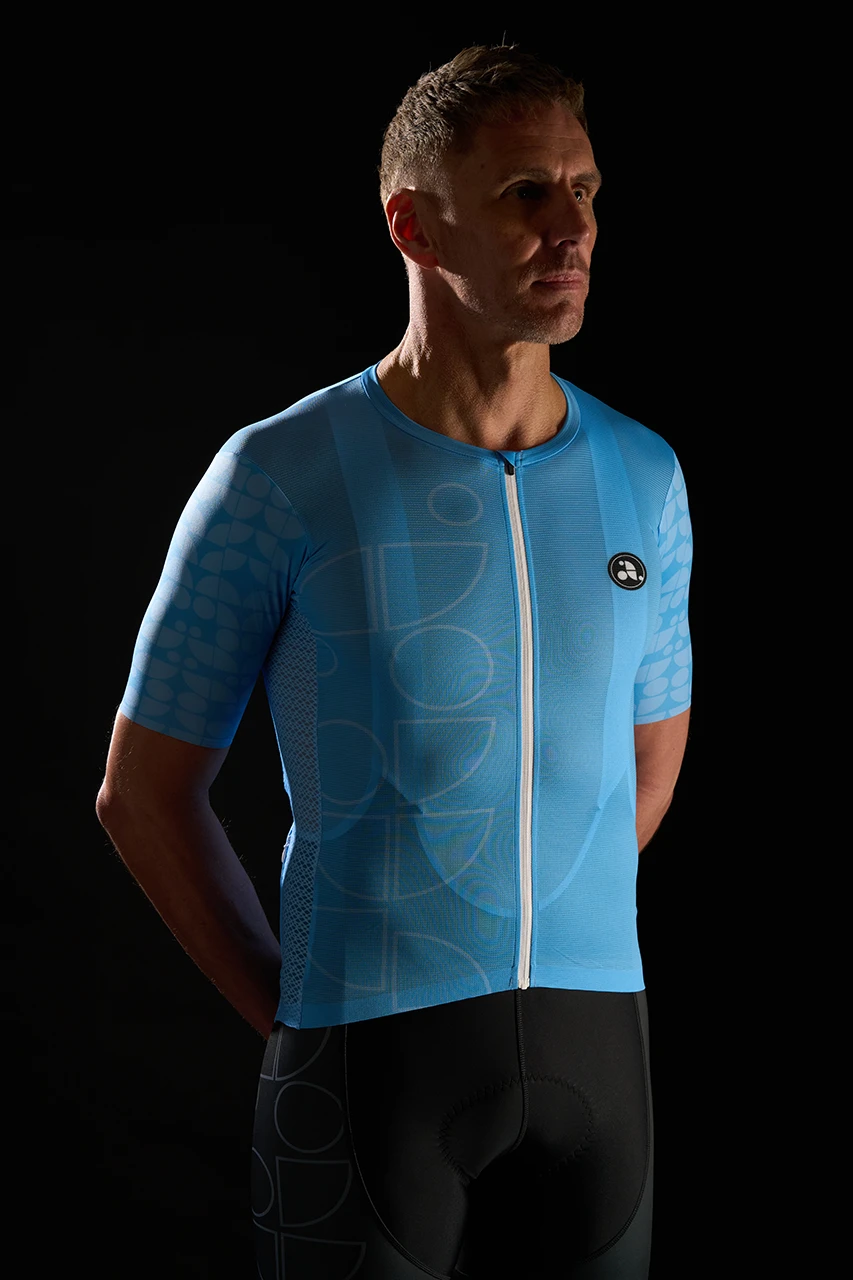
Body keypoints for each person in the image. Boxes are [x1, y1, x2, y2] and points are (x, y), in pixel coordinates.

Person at [96, 44, 692, 1280]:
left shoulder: (644, 474)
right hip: (366, 1065)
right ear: (413, 224)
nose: (573, 225)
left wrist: (532, 903)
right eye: (526, 192)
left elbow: (640, 765)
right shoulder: (280, 476)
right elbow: (141, 792)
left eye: (586, 189)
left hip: (600, 1062)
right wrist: (297, 1012)